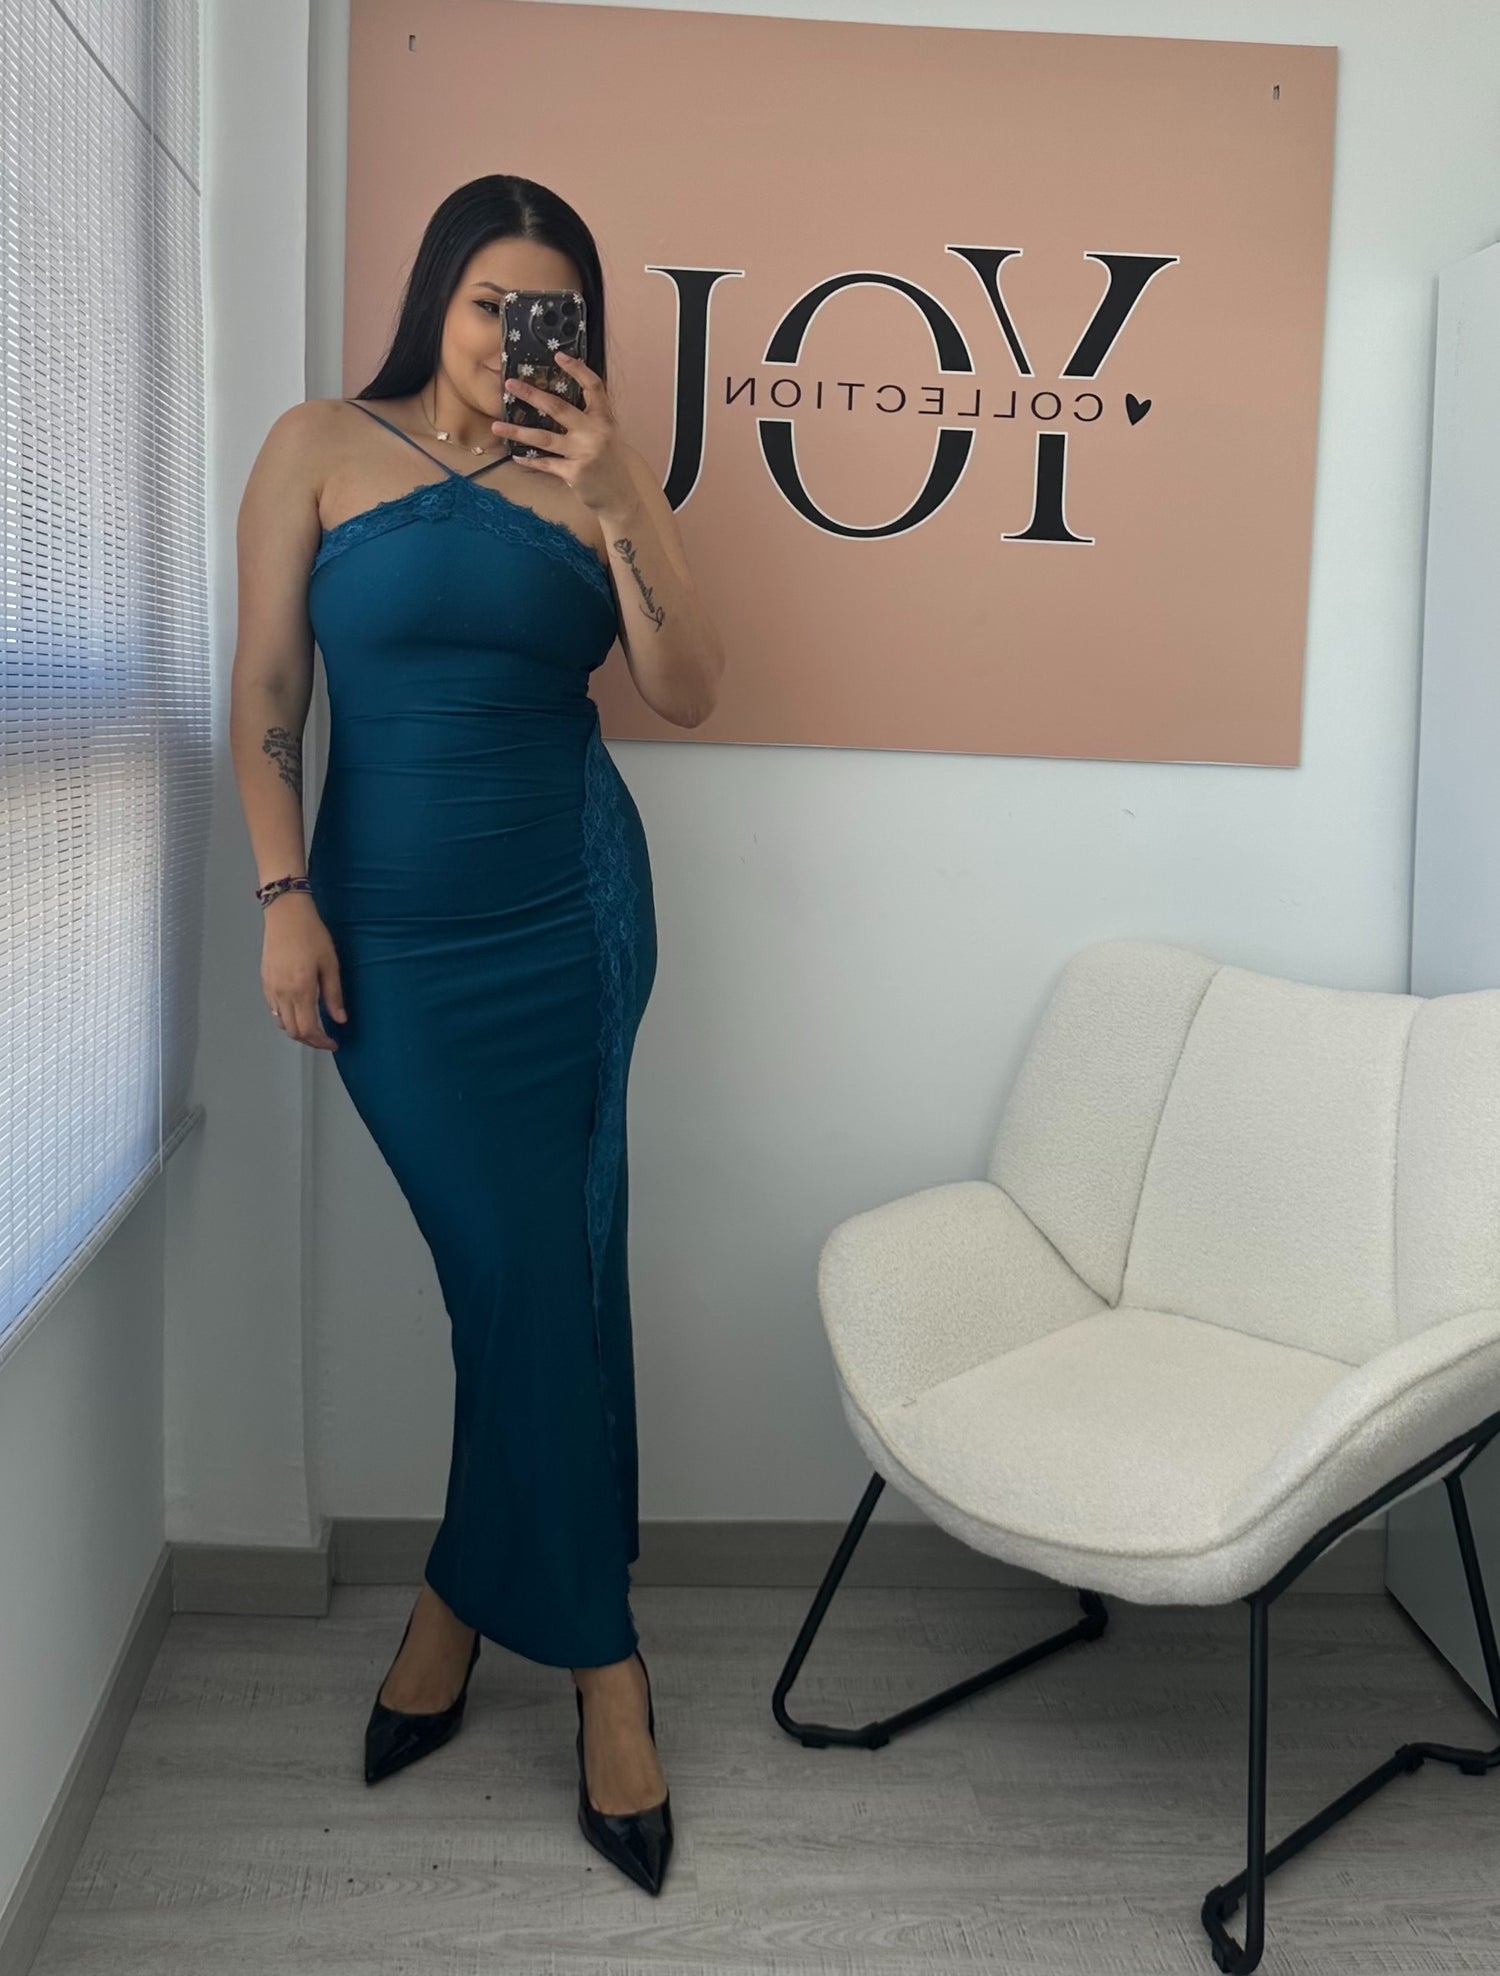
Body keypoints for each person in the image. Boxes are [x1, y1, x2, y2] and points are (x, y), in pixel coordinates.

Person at [228, 174, 725, 1895]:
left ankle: (596, 1666)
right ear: (435, 299)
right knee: (515, 1279)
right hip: (389, 940)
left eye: (546, 310)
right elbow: (268, 694)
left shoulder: (603, 479)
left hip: (570, 918)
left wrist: (624, 491)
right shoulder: (315, 445)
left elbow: (687, 689)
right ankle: (483, 1600)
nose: (513, 335)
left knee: (542, 1273)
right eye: (487, 302)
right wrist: (282, 895)